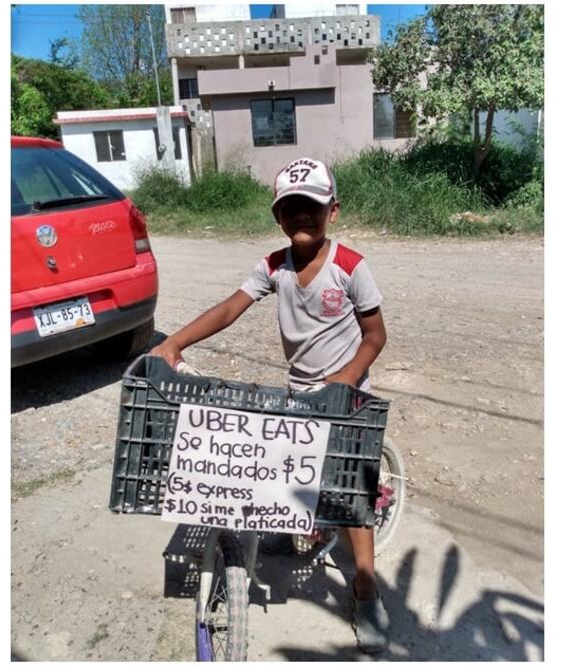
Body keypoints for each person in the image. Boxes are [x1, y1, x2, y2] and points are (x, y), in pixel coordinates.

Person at [150, 157, 391, 653]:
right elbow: (229, 308)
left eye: (312, 208)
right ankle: (296, 526)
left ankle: (366, 590)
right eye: (290, 209)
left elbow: (375, 335)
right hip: (301, 391)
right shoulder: (273, 267)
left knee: (349, 497)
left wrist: (343, 381)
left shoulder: (350, 267)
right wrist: (174, 343)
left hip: (346, 395)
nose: (302, 217)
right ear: (278, 217)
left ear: (333, 211)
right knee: (280, 470)